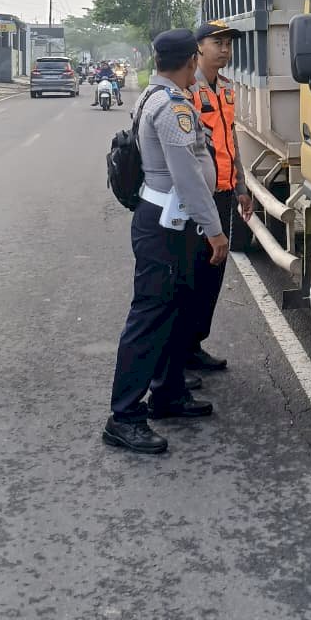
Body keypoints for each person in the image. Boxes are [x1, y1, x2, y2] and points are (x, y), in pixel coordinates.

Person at [103, 29, 229, 455]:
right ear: (191, 61)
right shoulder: (172, 106)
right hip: (166, 224)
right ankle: (124, 416)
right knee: (151, 314)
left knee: (177, 306)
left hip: (170, 222)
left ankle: (169, 392)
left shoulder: (151, 96)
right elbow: (188, 177)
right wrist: (215, 230)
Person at [188, 20, 253, 371]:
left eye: (228, 43)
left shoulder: (226, 88)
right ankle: (180, 352)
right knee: (193, 274)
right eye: (218, 43)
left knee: (213, 274)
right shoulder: (187, 90)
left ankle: (194, 344)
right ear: (198, 47)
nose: (225, 49)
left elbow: (232, 140)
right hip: (199, 198)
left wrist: (242, 187)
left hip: (225, 192)